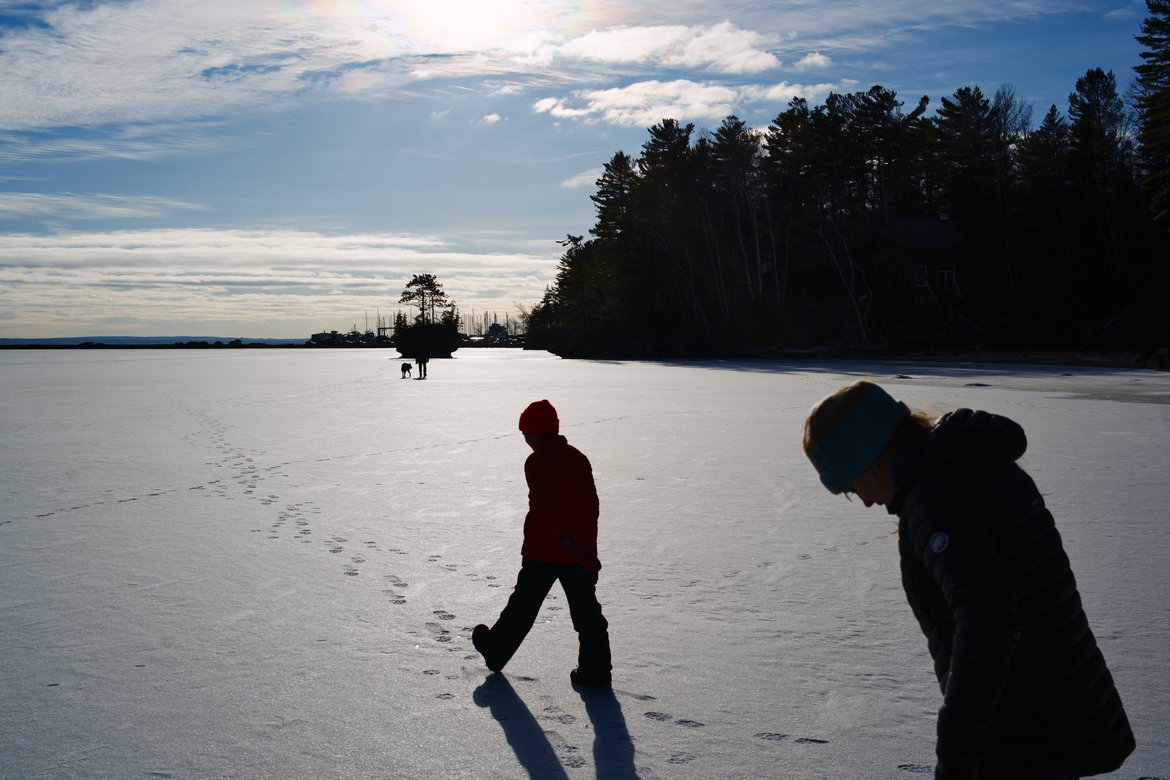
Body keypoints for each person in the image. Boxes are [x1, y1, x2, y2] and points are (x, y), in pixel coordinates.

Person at [802, 380, 1134, 780]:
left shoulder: (933, 501)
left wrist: (957, 750)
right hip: (1062, 708)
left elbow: (988, 622)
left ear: (869, 457)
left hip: (1024, 731)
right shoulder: (975, 465)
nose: (865, 500)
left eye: (851, 485)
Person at [472, 400, 613, 688]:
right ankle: (596, 672)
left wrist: (562, 538)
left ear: (536, 433)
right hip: (578, 552)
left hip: (545, 549)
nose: (524, 438)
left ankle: (497, 650)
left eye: (525, 432)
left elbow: (547, 506)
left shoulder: (536, 462)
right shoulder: (578, 457)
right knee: (587, 616)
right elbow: (591, 506)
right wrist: (585, 547)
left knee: (523, 605)